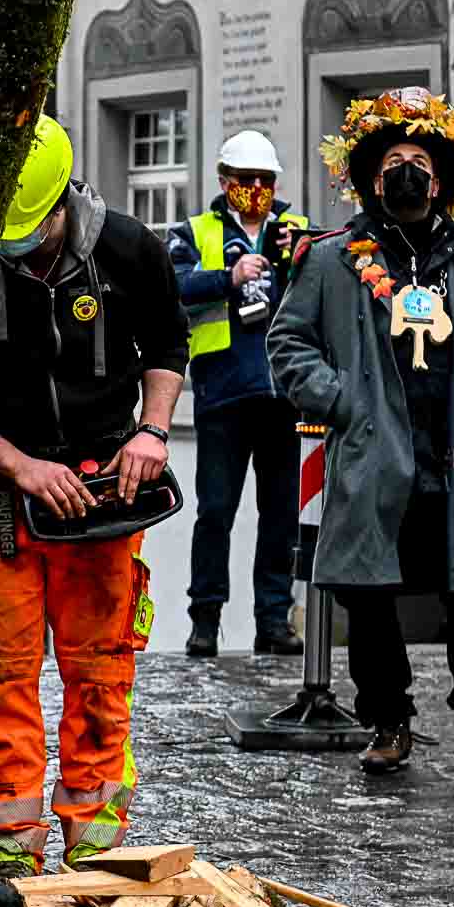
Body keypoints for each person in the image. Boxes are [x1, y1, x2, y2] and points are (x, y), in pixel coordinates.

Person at [0, 116, 188, 907]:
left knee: (100, 671)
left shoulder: (127, 251)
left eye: (33, 236)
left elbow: (167, 345)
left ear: (63, 207)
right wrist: (20, 465)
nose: (21, 250)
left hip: (103, 493)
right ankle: (12, 857)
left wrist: (151, 432)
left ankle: (95, 847)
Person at [267, 88, 454, 779]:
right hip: (372, 455)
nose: (408, 172)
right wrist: (342, 400)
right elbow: (289, 345)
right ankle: (388, 722)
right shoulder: (330, 259)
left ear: (440, 180)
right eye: (394, 161)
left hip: (453, 455)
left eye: (420, 161)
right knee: (369, 593)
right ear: (374, 178)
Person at [166, 130, 310, 658]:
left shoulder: (295, 231)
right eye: (246, 180)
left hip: (282, 395)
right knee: (217, 511)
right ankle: (206, 620)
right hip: (223, 393)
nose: (256, 188)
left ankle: (273, 620)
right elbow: (173, 287)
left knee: (280, 514)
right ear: (224, 182)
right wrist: (228, 276)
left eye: (265, 181)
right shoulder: (194, 231)